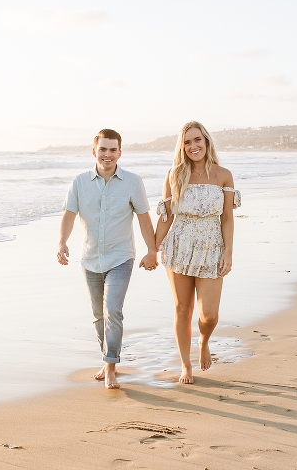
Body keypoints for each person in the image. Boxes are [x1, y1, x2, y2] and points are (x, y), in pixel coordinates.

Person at [57, 129, 159, 389]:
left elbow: (144, 218)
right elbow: (69, 215)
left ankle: (111, 366)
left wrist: (152, 251)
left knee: (112, 310)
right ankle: (106, 359)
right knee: (98, 315)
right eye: (103, 149)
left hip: (120, 257)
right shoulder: (79, 182)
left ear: (120, 153)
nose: (107, 154)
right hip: (90, 258)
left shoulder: (132, 182)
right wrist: (62, 242)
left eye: (113, 150)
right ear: (94, 151)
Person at [154, 121, 240, 384]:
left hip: (212, 248)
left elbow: (227, 218)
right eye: (187, 142)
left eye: (197, 140)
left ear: (206, 141)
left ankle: (204, 341)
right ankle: (185, 365)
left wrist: (228, 252)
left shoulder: (223, 175)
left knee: (209, 315)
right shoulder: (174, 174)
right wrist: (151, 249)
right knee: (182, 309)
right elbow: (166, 217)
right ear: (182, 147)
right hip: (179, 247)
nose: (193, 146)